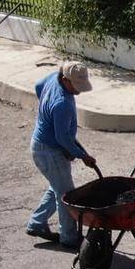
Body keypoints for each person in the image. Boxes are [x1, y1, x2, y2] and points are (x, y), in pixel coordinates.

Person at [27, 62, 96, 249]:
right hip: (49, 151)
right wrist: (82, 156)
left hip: (42, 146)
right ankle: (69, 237)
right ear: (65, 80)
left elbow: (38, 87)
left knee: (57, 187)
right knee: (67, 195)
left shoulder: (52, 78)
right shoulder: (62, 103)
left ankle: (36, 223)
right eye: (76, 86)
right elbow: (63, 138)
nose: (79, 91)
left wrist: (45, 114)